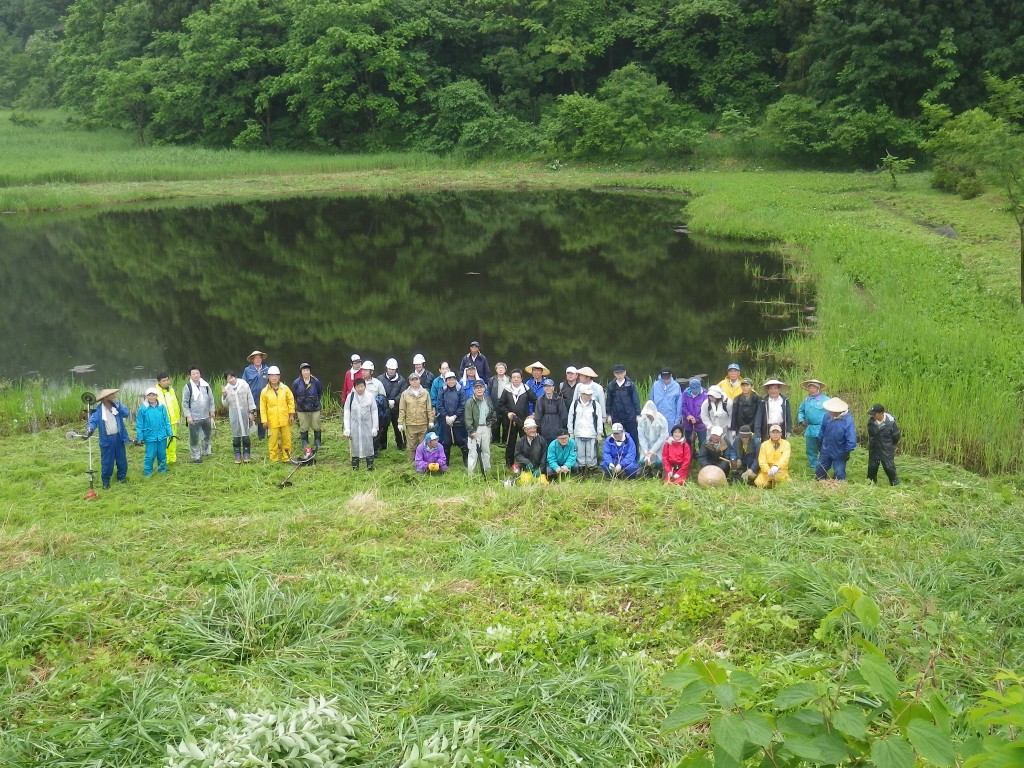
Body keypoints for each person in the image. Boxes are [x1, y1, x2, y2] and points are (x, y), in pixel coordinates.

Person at [85, 388, 130, 488]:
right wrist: (90, 430)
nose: (114, 396)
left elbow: (126, 414)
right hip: (107, 440)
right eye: (111, 395)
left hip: (119, 438)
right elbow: (92, 422)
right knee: (107, 462)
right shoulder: (98, 410)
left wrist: (118, 407)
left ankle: (121, 478)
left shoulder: (117, 405)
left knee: (122, 460)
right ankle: (106, 482)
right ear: (105, 398)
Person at [499, 368, 537, 467]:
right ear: (511, 379)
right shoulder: (507, 389)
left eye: (518, 377)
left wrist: (533, 414)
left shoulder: (526, 388)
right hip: (511, 421)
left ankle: (526, 463)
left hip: (524, 421)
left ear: (521, 379)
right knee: (510, 443)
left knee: (526, 442)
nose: (516, 379)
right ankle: (509, 464)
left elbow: (536, 401)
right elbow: (501, 405)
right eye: (514, 377)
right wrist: (507, 413)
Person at [815, 397, 857, 481]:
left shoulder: (847, 420)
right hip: (826, 448)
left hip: (840, 450)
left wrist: (846, 452)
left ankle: (839, 487)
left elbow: (851, 438)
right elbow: (821, 432)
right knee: (820, 468)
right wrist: (820, 446)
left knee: (839, 471)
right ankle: (819, 484)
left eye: (832, 411)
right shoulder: (827, 416)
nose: (830, 412)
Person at [260, 365, 295, 463]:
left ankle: (286, 458)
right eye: (271, 376)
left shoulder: (285, 389)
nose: (274, 378)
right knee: (273, 440)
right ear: (268, 377)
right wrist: (264, 420)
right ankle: (273, 459)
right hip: (272, 420)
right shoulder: (264, 392)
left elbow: (291, 401)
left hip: (285, 419)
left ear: (279, 377)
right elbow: (262, 407)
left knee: (286, 439)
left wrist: (291, 415)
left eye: (276, 375)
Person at [136, 387, 173, 476]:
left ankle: (162, 471)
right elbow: (139, 424)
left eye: (153, 395)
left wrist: (170, 432)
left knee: (162, 455)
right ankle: (148, 473)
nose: (151, 397)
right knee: (150, 456)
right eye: (149, 395)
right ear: (147, 396)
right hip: (150, 436)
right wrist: (140, 437)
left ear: (156, 396)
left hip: (162, 435)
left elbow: (166, 420)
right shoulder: (143, 409)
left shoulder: (161, 407)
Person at [398, 371, 434, 462]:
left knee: (423, 444)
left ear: (419, 380)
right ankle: (411, 462)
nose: (414, 382)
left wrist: (431, 420)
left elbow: (429, 408)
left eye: (416, 379)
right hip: (411, 424)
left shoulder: (425, 393)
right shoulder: (405, 394)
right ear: (409, 381)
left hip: (423, 423)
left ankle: (423, 462)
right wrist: (400, 422)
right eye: (412, 380)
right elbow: (402, 409)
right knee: (411, 445)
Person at [182, 365, 216, 463]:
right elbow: (184, 403)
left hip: (206, 416)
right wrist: (188, 416)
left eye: (197, 373)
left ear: (200, 374)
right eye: (193, 374)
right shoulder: (188, 387)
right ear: (190, 376)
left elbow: (211, 398)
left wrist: (212, 410)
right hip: (194, 417)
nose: (196, 375)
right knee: (194, 438)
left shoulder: (205, 385)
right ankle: (196, 456)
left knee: (207, 435)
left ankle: (206, 451)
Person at [343, 377, 378, 470]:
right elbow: (347, 412)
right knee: (355, 446)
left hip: (367, 425)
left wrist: (375, 427)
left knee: (369, 445)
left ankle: (370, 466)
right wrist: (347, 428)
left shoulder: (370, 396)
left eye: (362, 386)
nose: (360, 388)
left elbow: (374, 411)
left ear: (365, 386)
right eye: (358, 387)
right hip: (354, 425)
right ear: (355, 387)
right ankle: (355, 467)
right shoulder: (350, 397)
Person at [223, 370, 256, 463]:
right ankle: (237, 454)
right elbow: (225, 404)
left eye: (232, 377)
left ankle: (246, 453)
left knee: (246, 434)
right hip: (234, 414)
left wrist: (251, 412)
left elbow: (250, 398)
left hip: (245, 412)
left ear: (235, 377)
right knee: (236, 435)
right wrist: (225, 395)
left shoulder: (244, 384)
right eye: (228, 378)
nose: (231, 380)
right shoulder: (227, 388)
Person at [437, 370, 469, 466]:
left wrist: (455, 416)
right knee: (446, 443)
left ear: (455, 380)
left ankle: (467, 462)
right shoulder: (442, 390)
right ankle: (445, 464)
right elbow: (439, 405)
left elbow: (463, 405)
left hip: (458, 420)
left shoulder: (460, 390)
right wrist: (446, 416)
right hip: (445, 421)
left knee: (462, 442)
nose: (451, 381)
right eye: (449, 380)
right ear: (446, 381)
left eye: (453, 379)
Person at [465, 378, 496, 475]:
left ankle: (487, 471)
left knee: (486, 450)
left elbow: (493, 412)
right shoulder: (470, 402)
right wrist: (471, 431)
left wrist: (491, 422)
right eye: (477, 388)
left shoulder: (488, 399)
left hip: (486, 428)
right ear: (473, 390)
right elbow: (468, 418)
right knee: (473, 452)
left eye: (481, 387)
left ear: (484, 388)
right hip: (475, 428)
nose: (479, 389)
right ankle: (471, 473)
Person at [606, 364, 642, 450]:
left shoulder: (630, 385)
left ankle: (634, 457)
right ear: (614, 374)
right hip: (617, 416)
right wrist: (609, 415)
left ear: (625, 373)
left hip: (630, 416)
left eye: (621, 373)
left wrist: (638, 414)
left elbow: (635, 399)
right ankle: (619, 456)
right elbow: (609, 401)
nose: (619, 375)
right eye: (617, 373)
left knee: (633, 438)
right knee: (618, 437)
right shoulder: (611, 386)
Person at [867, 403, 901, 486]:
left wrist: (889, 445)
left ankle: (894, 484)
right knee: (872, 467)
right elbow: (870, 434)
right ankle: (870, 483)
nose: (873, 416)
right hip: (874, 448)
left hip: (886, 449)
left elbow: (896, 437)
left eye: (874, 414)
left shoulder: (891, 423)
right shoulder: (871, 422)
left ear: (881, 413)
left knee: (889, 467)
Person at [797, 379, 828, 470]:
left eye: (814, 387)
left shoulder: (826, 400)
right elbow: (801, 411)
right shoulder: (806, 400)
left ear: (818, 388)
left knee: (824, 447)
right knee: (810, 448)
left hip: (822, 428)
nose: (812, 389)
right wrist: (801, 420)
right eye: (810, 387)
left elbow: (832, 412)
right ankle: (813, 465)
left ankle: (825, 465)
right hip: (810, 428)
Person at [292, 362, 324, 451]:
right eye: (304, 370)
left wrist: (315, 401)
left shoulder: (316, 381)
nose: (306, 372)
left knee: (316, 425)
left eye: (307, 370)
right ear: (301, 372)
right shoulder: (296, 383)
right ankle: (305, 442)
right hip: (302, 408)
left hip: (315, 407)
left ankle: (317, 441)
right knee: (303, 426)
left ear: (310, 371)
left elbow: (320, 392)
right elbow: (294, 395)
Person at [378, 358, 407, 452]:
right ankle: (382, 446)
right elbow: (379, 393)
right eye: (389, 369)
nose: (390, 371)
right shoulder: (380, 379)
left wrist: (394, 401)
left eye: (393, 369)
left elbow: (403, 393)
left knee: (398, 427)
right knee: (383, 427)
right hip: (384, 408)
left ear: (396, 369)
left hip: (396, 408)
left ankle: (402, 444)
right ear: (386, 368)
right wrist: (386, 402)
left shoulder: (401, 380)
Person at [730, 378, 761, 461]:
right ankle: (740, 462)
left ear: (752, 386)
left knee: (752, 446)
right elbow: (734, 414)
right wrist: (733, 429)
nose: (745, 388)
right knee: (740, 446)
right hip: (740, 427)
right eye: (743, 385)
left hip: (753, 426)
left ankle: (752, 463)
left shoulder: (757, 398)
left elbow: (759, 415)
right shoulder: (737, 398)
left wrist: (757, 431)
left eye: (747, 385)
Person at [360, 360, 387, 455]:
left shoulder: (378, 383)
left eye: (366, 370)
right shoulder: (358, 383)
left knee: (375, 431)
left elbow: (383, 398)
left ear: (371, 372)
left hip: (375, 413)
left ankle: (374, 451)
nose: (363, 372)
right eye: (362, 370)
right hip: (362, 413)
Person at [155, 372, 181, 465]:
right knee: (163, 443)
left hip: (173, 421)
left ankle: (172, 460)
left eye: (167, 380)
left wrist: (177, 417)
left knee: (172, 441)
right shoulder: (155, 392)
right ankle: (164, 461)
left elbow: (175, 405)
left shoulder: (171, 390)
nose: (166, 382)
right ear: (158, 382)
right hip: (162, 423)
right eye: (163, 381)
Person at [754, 379, 792, 444]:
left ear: (779, 390)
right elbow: (758, 417)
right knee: (767, 449)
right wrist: (757, 432)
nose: (773, 391)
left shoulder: (785, 401)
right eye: (771, 389)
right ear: (768, 390)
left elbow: (788, 416)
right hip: (767, 428)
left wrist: (788, 430)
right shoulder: (763, 402)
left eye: (775, 388)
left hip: (781, 427)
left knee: (780, 448)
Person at [637, 400, 669, 477]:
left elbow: (663, 437)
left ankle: (660, 472)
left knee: (659, 462)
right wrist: (645, 450)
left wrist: (652, 451)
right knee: (642, 461)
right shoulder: (642, 420)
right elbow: (641, 437)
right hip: (647, 446)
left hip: (659, 447)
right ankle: (647, 472)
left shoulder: (662, 420)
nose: (648, 416)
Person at [243, 351, 270, 439]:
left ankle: (261, 437)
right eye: (256, 358)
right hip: (251, 398)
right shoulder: (247, 370)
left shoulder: (267, 370)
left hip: (264, 399)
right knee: (248, 418)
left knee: (262, 418)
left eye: (259, 358)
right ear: (252, 360)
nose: (258, 359)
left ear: (262, 359)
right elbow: (243, 384)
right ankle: (246, 436)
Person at [754, 424, 791, 488]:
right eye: (773, 432)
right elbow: (762, 461)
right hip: (767, 472)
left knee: (788, 484)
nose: (775, 434)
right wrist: (768, 471)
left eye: (777, 432)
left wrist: (776, 466)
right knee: (758, 482)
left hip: (780, 471)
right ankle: (770, 484)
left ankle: (773, 485)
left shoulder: (786, 444)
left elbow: (785, 458)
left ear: (781, 434)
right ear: (769, 434)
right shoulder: (764, 445)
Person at [701, 385, 733, 457]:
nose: (710, 398)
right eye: (709, 396)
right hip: (712, 429)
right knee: (711, 445)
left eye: (712, 396)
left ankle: (726, 459)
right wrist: (709, 426)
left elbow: (732, 416)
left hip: (725, 429)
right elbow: (704, 415)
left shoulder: (728, 403)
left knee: (727, 445)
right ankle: (712, 459)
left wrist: (729, 425)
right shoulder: (706, 403)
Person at [681, 377, 707, 452]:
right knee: (689, 441)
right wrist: (688, 415)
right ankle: (690, 455)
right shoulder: (685, 394)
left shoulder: (705, 395)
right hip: (688, 422)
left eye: (696, 389)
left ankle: (702, 456)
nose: (695, 391)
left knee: (702, 441)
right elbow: (683, 406)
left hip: (701, 423)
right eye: (693, 389)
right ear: (690, 387)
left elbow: (705, 410)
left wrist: (697, 418)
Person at [488, 362, 511, 446]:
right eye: (499, 368)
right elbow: (489, 392)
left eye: (502, 368)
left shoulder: (509, 379)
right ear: (496, 370)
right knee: (495, 422)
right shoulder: (492, 380)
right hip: (495, 403)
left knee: (506, 423)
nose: (500, 369)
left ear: (505, 369)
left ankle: (505, 440)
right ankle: (495, 440)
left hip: (506, 404)